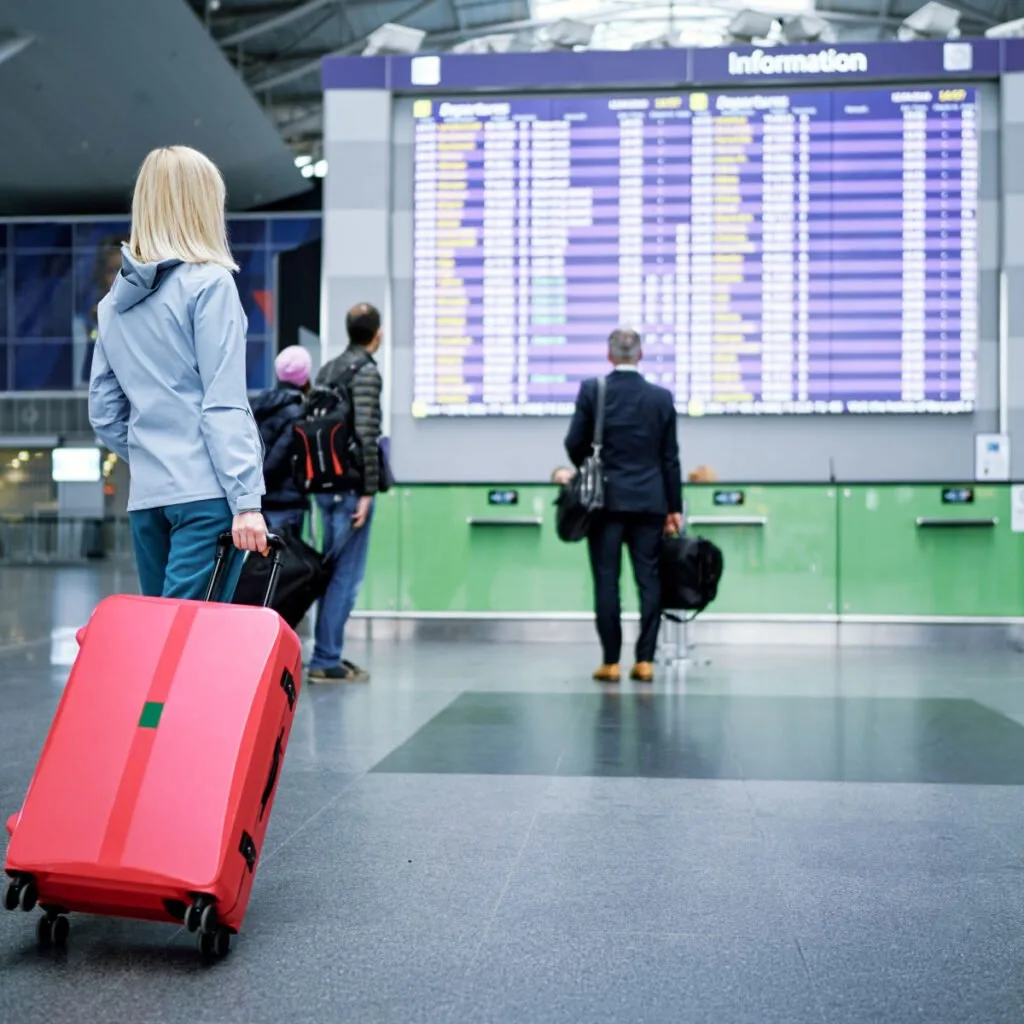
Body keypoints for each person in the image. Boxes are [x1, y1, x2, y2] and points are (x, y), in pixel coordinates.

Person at [88, 145, 268, 601]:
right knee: (189, 647)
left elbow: (104, 413)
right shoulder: (210, 283)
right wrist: (247, 501)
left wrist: (156, 454)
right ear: (203, 203)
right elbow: (223, 402)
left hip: (148, 500)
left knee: (162, 638)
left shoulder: (113, 304)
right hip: (205, 496)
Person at [565, 327, 682, 685]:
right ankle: (645, 660)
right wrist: (673, 507)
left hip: (605, 503)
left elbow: (574, 443)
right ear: (641, 355)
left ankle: (611, 662)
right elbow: (670, 458)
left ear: (609, 355)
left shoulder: (593, 391)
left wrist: (592, 467)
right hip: (650, 503)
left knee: (606, 581)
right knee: (649, 580)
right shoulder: (661, 398)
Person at [306, 302, 384, 683]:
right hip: (350, 488)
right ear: (377, 335)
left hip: (325, 485)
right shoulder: (365, 372)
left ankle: (328, 651)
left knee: (333, 571)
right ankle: (325, 657)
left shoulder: (328, 369)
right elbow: (368, 435)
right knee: (345, 576)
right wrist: (368, 490)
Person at [250, 345, 313, 536]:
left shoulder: (257, 405)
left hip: (257, 501)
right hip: (286, 502)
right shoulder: (297, 414)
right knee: (284, 561)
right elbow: (279, 458)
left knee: (258, 563)